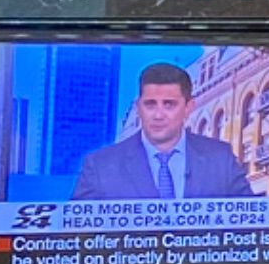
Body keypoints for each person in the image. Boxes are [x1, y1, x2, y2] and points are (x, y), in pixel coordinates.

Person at [70, 61, 253, 202]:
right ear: (139, 108)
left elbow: (251, 223)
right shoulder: (100, 165)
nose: (158, 115)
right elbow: (75, 232)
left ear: (188, 108)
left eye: (169, 104)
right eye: (150, 104)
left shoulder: (220, 158)